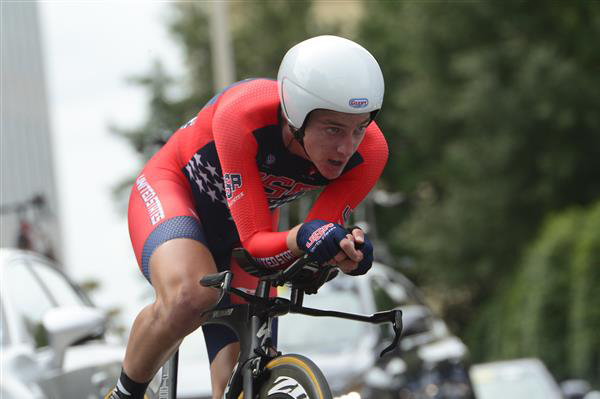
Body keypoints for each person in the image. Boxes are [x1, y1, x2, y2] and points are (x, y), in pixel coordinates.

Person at [105, 35, 388, 399]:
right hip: (175, 193)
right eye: (333, 129)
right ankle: (124, 394)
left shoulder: (371, 151)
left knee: (241, 380)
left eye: (359, 127)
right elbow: (261, 241)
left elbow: (314, 238)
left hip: (244, 219)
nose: (347, 146)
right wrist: (306, 237)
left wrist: (342, 252)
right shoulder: (243, 112)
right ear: (296, 115)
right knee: (191, 295)